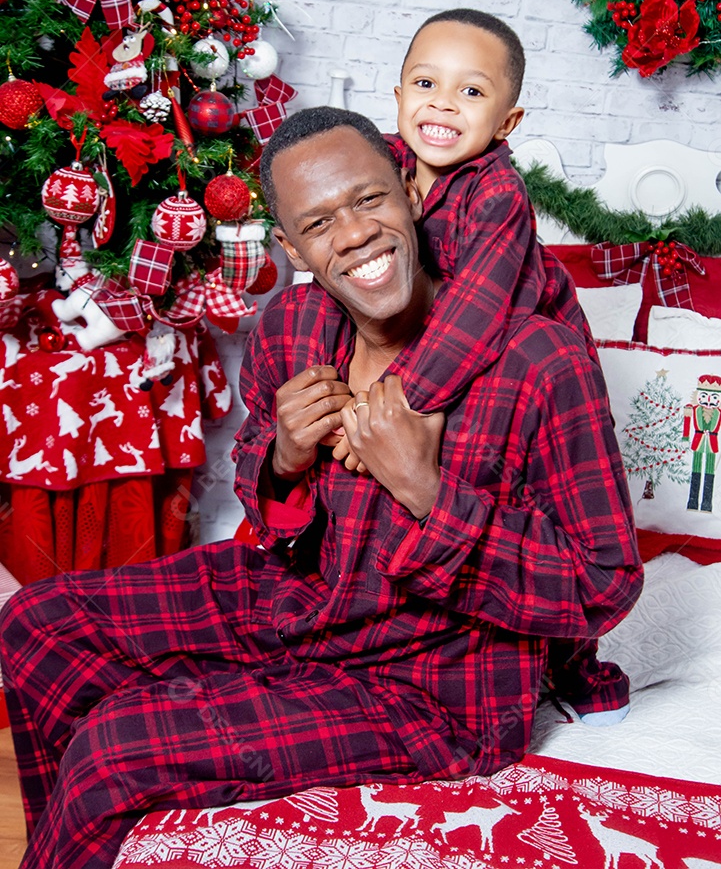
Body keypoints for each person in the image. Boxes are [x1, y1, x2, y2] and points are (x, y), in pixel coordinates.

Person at [0, 108, 642, 869]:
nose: (355, 236)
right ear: (291, 245)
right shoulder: (292, 327)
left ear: (408, 192)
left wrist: (428, 494)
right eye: (319, 221)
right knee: (36, 625)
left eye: (369, 200)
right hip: (300, 603)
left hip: (431, 685)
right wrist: (284, 458)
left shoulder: (539, 361)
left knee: (117, 748)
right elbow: (256, 484)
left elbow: (603, 582)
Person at [320, 10, 630, 726]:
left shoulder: (495, 194)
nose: (442, 105)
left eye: (470, 93)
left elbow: (475, 312)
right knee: (461, 499)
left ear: (506, 119)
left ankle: (578, 667)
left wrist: (393, 408)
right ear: (396, 92)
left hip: (528, 374)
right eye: (426, 82)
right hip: (448, 369)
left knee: (545, 519)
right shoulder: (383, 172)